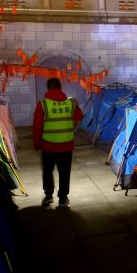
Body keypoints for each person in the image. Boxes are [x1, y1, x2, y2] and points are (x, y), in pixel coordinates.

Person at [33, 78, 83, 207]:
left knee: (47, 171)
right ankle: (63, 198)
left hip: (48, 146)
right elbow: (79, 117)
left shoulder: (43, 104)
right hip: (66, 146)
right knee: (64, 172)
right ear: (60, 88)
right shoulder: (71, 103)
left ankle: (48, 196)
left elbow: (37, 126)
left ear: (48, 88)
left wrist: (37, 144)